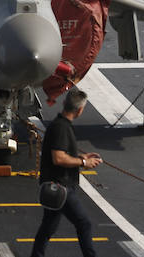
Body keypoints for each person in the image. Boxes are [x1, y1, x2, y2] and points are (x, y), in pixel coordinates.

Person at [30, 88, 102, 257]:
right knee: (84, 223)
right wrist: (84, 162)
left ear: (64, 103)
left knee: (48, 227)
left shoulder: (60, 125)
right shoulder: (61, 128)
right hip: (61, 187)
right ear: (80, 110)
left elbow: (60, 154)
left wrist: (79, 156)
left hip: (55, 187)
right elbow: (59, 158)